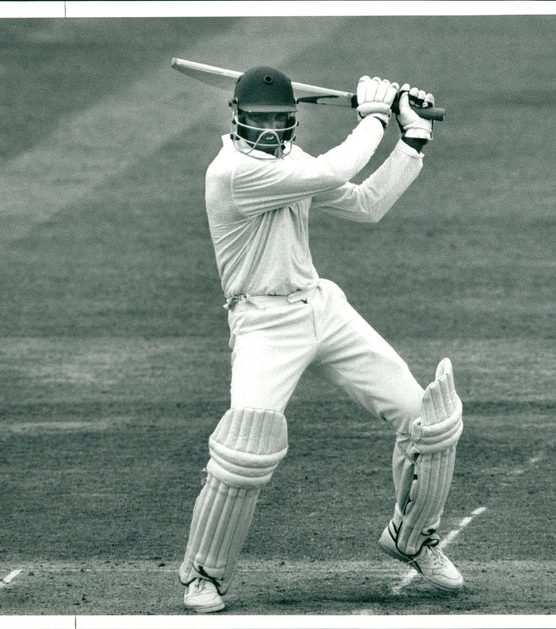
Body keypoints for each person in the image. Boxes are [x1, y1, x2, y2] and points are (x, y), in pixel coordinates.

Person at [178, 65, 465, 613]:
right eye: (257, 118)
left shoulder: (292, 164)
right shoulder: (232, 172)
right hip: (262, 324)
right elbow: (338, 167)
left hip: (321, 306)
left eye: (279, 118)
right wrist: (377, 115)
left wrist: (413, 141)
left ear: (292, 119)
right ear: (235, 118)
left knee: (426, 419)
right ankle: (204, 575)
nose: (269, 128)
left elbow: (364, 203)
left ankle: (412, 536)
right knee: (245, 450)